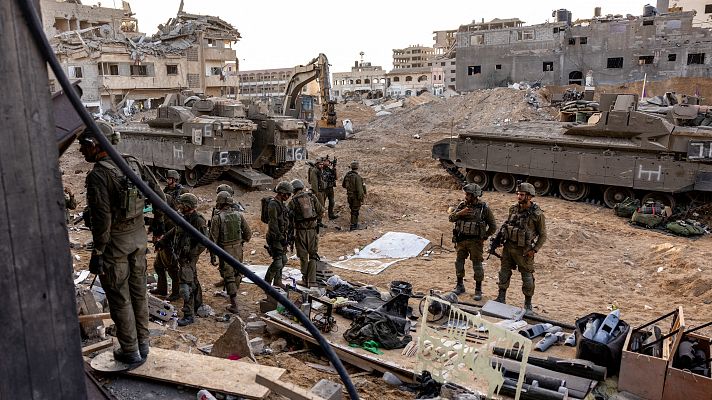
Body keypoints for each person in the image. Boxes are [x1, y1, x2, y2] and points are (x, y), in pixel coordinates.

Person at [79, 121, 149, 365]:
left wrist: (97, 252)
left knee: (120, 297)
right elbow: (156, 197)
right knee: (139, 293)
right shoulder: (132, 162)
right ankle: (143, 345)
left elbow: (102, 219)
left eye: (84, 145)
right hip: (139, 240)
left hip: (115, 246)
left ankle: (130, 350)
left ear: (96, 144)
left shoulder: (99, 174)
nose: (81, 151)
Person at [495, 182, 547, 312]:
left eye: (522, 194)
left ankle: (528, 305)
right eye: (518, 194)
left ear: (529, 197)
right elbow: (507, 224)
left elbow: (543, 235)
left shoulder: (537, 214)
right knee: (504, 272)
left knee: (527, 278)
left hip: (524, 251)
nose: (519, 196)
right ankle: (501, 298)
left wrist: (534, 250)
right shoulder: (513, 208)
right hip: (509, 247)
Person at [157, 193, 206, 326]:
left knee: (185, 286)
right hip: (182, 256)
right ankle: (197, 305)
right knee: (193, 280)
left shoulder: (198, 221)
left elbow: (204, 242)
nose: (179, 206)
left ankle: (188, 315)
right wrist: (162, 241)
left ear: (187, 205)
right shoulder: (184, 218)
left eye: (181, 204)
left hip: (188, 258)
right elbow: (174, 230)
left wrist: (192, 254)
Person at [448, 183, 496, 300]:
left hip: (475, 242)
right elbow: (451, 218)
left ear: (475, 196)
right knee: (459, 262)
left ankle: (478, 290)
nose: (466, 196)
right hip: (461, 240)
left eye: (468, 194)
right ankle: (459, 285)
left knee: (477, 265)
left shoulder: (483, 209)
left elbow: (493, 226)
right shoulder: (462, 205)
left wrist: (484, 236)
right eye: (466, 194)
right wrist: (460, 213)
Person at [209, 191, 251, 313]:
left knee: (228, 275)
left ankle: (234, 303)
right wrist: (240, 241)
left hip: (225, 250)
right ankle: (233, 294)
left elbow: (212, 240)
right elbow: (248, 234)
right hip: (238, 249)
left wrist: (213, 256)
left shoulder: (217, 218)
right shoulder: (239, 215)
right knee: (237, 272)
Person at [150, 169, 188, 301]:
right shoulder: (165, 192)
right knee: (158, 265)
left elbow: (181, 209)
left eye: (170, 178)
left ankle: (176, 292)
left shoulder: (182, 193)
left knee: (172, 266)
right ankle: (162, 288)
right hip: (164, 229)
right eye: (167, 178)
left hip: (171, 233)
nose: (168, 180)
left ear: (175, 179)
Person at [287, 179, 323, 287]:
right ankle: (312, 281)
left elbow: (288, 216)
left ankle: (304, 279)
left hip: (300, 232)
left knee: (303, 257)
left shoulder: (293, 201)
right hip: (312, 231)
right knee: (313, 255)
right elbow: (321, 210)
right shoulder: (312, 197)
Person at [264, 181, 293, 288]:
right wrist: (280, 238)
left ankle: (278, 281)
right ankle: (266, 283)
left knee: (284, 260)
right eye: (288, 194)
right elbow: (273, 224)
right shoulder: (273, 204)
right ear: (282, 193)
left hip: (282, 236)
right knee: (277, 262)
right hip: (275, 237)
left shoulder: (281, 204)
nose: (288, 197)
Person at [342, 160, 366, 231]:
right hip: (355, 197)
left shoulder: (347, 175)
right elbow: (360, 190)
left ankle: (354, 224)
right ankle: (353, 225)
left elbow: (343, 185)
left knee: (352, 210)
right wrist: (361, 199)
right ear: (357, 167)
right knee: (355, 211)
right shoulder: (357, 177)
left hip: (349, 196)